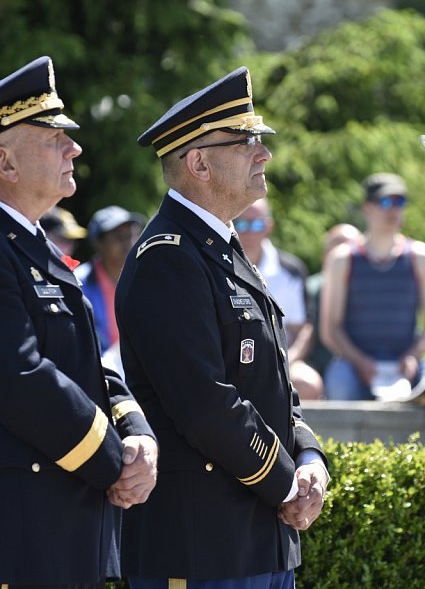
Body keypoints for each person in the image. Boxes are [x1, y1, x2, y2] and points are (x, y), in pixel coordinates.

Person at [0, 56, 157, 588]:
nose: (75, 147)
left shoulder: (30, 245)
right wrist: (115, 462)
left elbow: (87, 365)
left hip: (67, 531)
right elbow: (21, 379)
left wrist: (136, 431)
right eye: (53, 137)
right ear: (4, 161)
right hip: (16, 541)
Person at [114, 66, 329, 588]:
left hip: (260, 542)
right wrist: (286, 484)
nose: (263, 153)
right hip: (202, 548)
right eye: (245, 141)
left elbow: (273, 383)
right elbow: (206, 404)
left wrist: (310, 457)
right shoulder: (169, 257)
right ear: (199, 163)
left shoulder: (223, 249)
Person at [320, 173, 425, 401]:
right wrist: (360, 362)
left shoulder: (420, 256)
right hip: (353, 365)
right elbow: (331, 329)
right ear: (367, 208)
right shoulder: (342, 258)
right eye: (385, 201)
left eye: (399, 202)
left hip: (407, 364)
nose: (393, 209)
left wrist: (413, 356)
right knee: (340, 385)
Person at [233, 198, 322, 399]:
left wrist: (285, 362)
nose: (248, 231)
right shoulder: (218, 263)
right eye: (241, 223)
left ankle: (297, 431)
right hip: (233, 361)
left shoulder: (290, 271)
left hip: (283, 361)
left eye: (256, 224)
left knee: (309, 384)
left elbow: (303, 330)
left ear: (268, 227)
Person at [75, 205, 146, 353]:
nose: (129, 244)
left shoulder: (146, 280)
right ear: (98, 243)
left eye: (132, 236)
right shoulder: (78, 283)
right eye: (119, 237)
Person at [303, 223, 363, 390]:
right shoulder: (311, 288)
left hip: (362, 369)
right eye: (335, 247)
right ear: (324, 256)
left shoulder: (369, 291)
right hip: (317, 369)